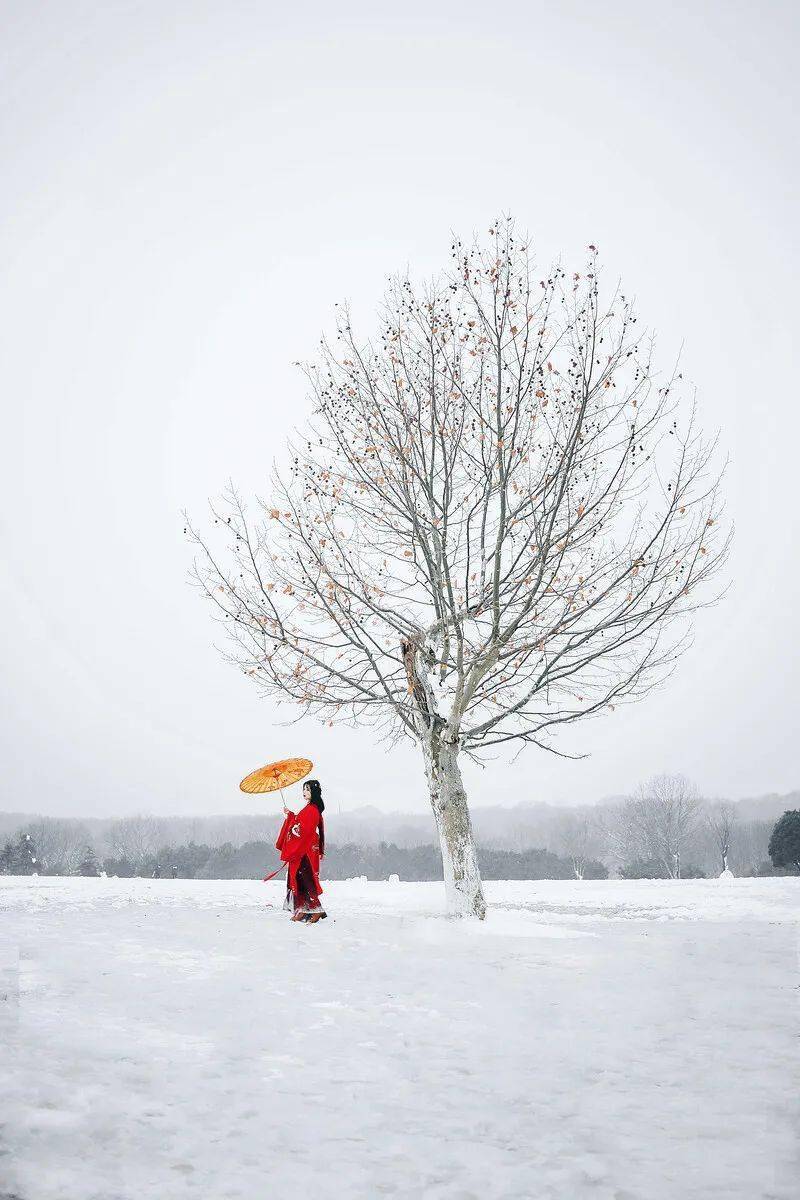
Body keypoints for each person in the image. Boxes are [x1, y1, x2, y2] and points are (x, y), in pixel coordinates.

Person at [275, 779, 327, 923]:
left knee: (306, 879)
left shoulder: (313, 810)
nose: (304, 792)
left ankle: (316, 909)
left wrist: (293, 822)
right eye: (304, 789)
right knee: (298, 880)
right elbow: (299, 823)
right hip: (302, 849)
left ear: (314, 792)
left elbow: (304, 829)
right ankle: (302, 909)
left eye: (308, 789)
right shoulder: (309, 808)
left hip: (306, 851)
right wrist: (290, 816)